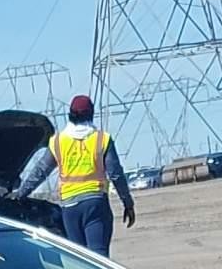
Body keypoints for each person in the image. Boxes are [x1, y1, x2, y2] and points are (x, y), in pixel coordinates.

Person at [17, 95, 136, 257]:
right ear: (91, 113)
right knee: (99, 257)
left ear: (70, 115)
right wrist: (127, 203)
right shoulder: (102, 139)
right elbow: (115, 174)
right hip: (95, 203)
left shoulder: (58, 141)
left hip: (70, 208)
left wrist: (20, 194)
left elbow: (41, 171)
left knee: (80, 259)